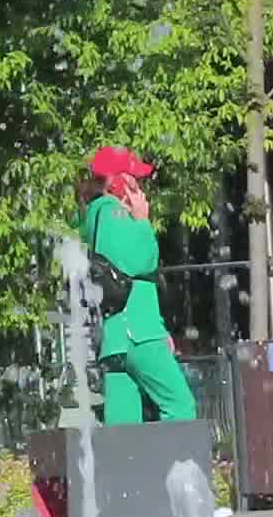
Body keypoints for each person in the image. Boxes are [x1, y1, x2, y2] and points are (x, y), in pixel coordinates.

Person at [80, 146, 196, 425]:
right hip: (138, 333)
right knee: (180, 407)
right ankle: (176, 457)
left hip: (115, 338)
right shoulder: (112, 212)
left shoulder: (95, 215)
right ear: (116, 182)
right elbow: (141, 262)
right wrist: (143, 221)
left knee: (123, 426)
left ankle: (124, 458)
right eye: (134, 178)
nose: (140, 186)